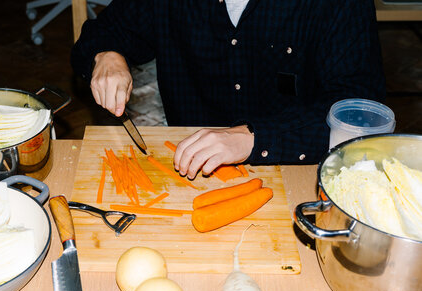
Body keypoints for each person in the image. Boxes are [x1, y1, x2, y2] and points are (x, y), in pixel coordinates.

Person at [71, 0, 385, 179]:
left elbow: (361, 111)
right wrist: (106, 56)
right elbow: (105, 31)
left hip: (301, 172)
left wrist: (255, 138)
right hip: (192, 171)